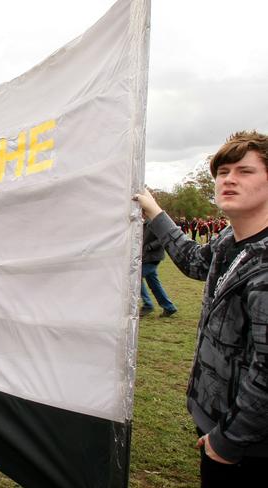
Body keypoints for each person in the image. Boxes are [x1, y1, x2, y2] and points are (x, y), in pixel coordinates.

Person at [134, 130, 268, 487]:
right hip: (215, 419)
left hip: (247, 444)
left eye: (244, 171)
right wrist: (155, 211)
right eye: (222, 172)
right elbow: (194, 261)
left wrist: (229, 440)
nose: (229, 179)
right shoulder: (229, 240)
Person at [139, 220, 178, 317]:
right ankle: (169, 307)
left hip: (153, 257)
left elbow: (163, 237)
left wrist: (150, 247)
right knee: (154, 283)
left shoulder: (154, 221)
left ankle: (148, 305)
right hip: (146, 257)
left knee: (135, 278)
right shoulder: (142, 222)